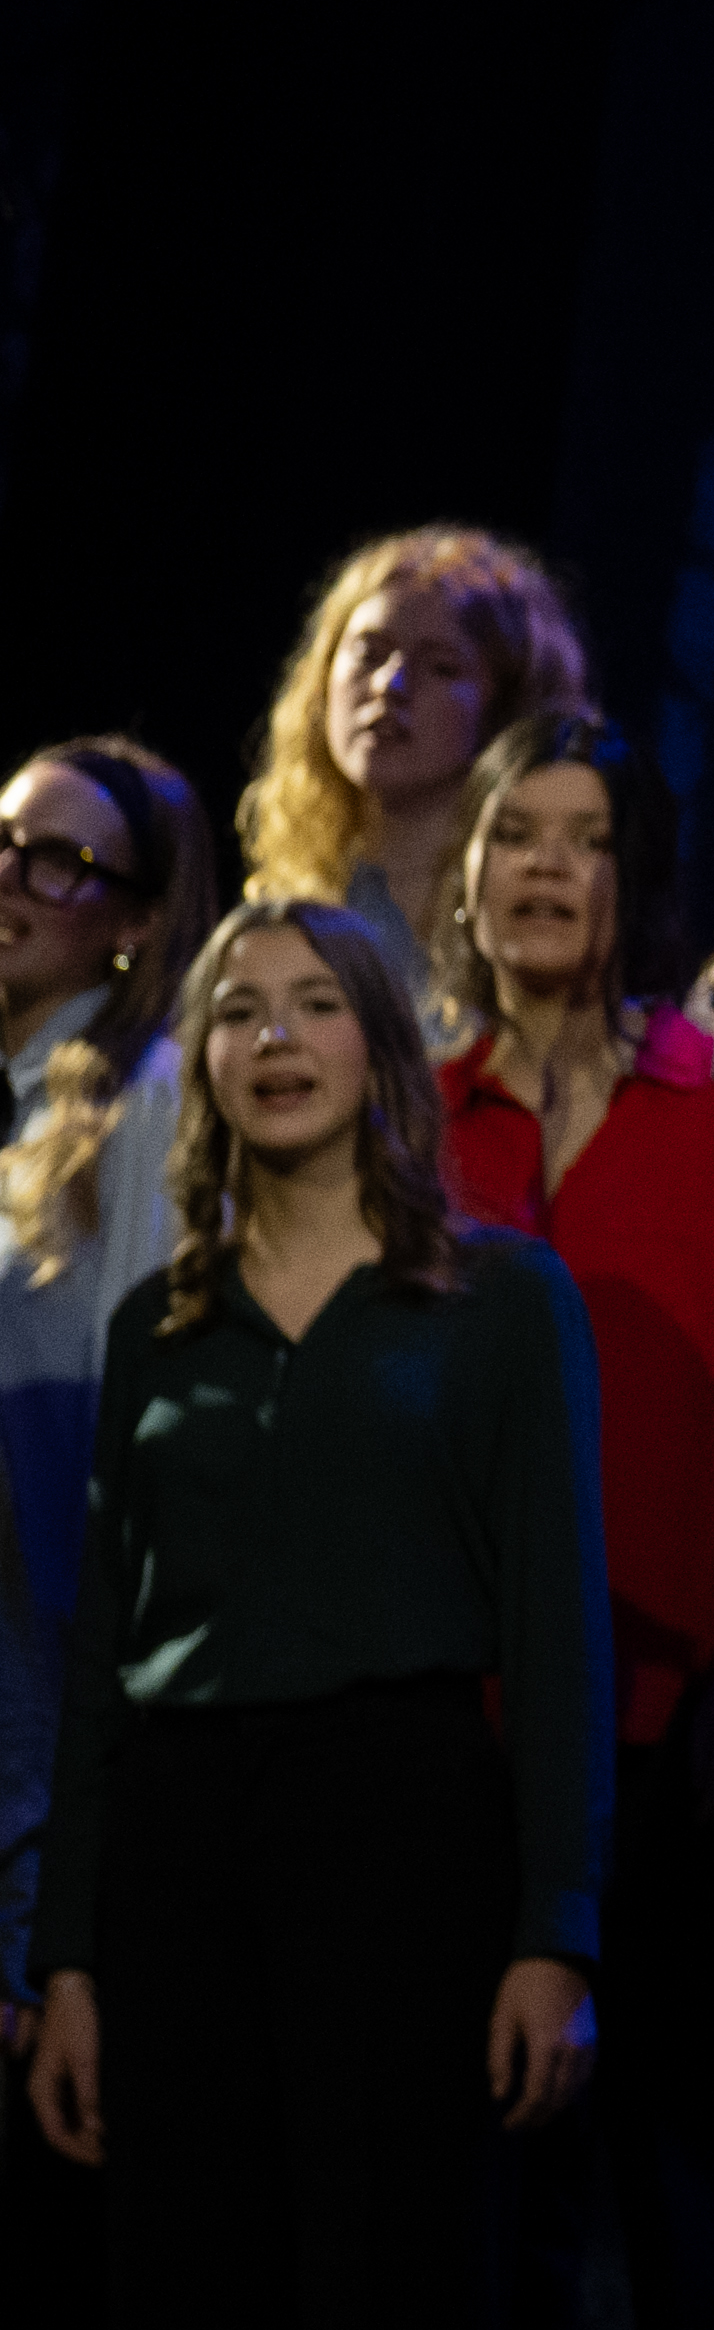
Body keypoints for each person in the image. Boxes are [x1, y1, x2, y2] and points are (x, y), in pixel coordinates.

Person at [18, 896, 605, 2330]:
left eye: (312, 1006)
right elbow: (100, 1658)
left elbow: (561, 1630)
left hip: (405, 1826)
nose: (275, 1038)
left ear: (379, 1044)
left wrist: (553, 1925)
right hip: (187, 1850)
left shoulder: (500, 1297)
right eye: (238, 1010)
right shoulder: (152, 1321)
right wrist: (73, 1950)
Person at [427, 707, 714, 2330]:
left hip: (684, 1727)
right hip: (460, 1732)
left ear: (641, 873)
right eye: (515, 833)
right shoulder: (409, 1117)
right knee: (485, 2215)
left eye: (585, 835)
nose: (544, 867)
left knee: (689, 2218)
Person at [0, 741, 225, 2053]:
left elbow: (141, 1456)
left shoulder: (144, 1107)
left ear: (140, 922)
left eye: (59, 860)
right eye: (3, 840)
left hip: (43, 1719)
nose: (11, 877)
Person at [228, 525, 593, 929]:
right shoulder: (285, 906)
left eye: (440, 666)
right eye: (370, 653)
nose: (389, 685)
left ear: (506, 708)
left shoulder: (524, 924)